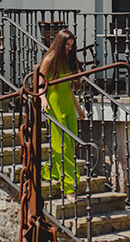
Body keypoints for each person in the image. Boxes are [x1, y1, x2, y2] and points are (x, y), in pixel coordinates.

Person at [39, 28, 86, 200]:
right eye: (66, 45)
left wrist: (78, 108)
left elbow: (68, 88)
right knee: (62, 146)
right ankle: (69, 188)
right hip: (54, 105)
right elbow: (39, 82)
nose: (69, 48)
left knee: (70, 143)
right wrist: (43, 99)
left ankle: (47, 171)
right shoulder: (50, 59)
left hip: (67, 104)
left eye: (71, 46)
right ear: (59, 44)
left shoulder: (67, 60)